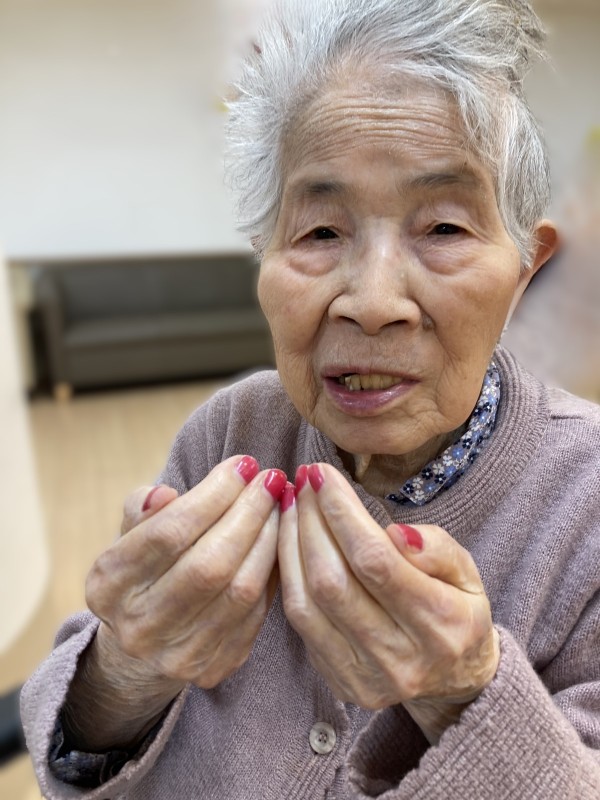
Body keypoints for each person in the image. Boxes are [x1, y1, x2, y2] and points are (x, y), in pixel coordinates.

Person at [21, 0, 600, 797]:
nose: (373, 302)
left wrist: (462, 694)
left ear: (526, 272)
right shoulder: (230, 433)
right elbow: (76, 743)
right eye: (321, 232)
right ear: (263, 257)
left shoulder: (587, 499)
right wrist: (125, 667)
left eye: (443, 229)